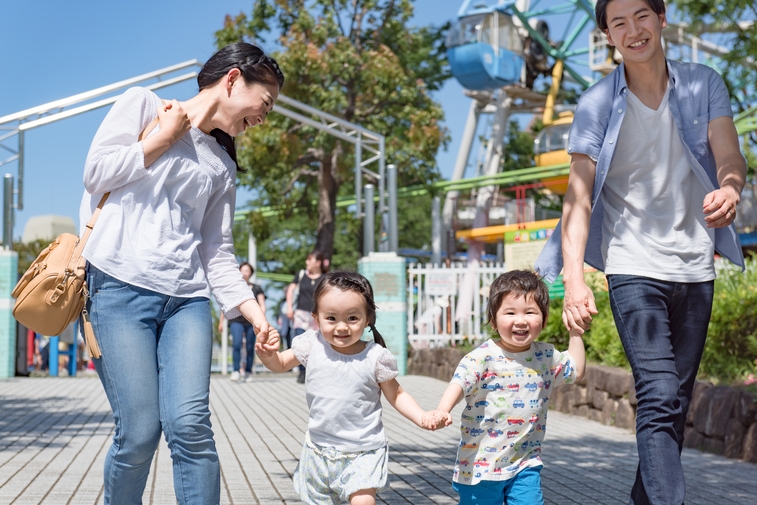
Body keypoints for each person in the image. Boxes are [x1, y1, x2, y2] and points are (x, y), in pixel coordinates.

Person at [534, 1, 747, 503]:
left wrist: (731, 187)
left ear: (662, 18)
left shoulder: (702, 82)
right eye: (619, 22)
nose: (633, 30)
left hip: (695, 265)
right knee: (657, 393)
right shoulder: (597, 103)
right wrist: (575, 278)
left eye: (642, 16)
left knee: (672, 406)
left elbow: (730, 153)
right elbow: (578, 197)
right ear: (607, 35)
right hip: (632, 265)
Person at [79, 42, 282, 505]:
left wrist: (253, 313)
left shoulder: (223, 163)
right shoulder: (144, 105)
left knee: (191, 427)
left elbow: (217, 251)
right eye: (264, 103)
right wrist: (161, 138)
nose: (263, 118)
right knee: (139, 432)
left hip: (186, 303)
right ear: (233, 79)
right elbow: (95, 174)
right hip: (117, 290)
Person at [256, 271, 444, 505]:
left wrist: (422, 416)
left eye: (352, 318)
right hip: (319, 449)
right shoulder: (311, 344)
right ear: (316, 317)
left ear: (368, 319)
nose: (342, 327)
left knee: (364, 501)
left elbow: (396, 394)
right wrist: (267, 355)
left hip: (363, 450)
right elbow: (280, 363)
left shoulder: (375, 357)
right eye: (331, 318)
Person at [424, 270, 585, 505]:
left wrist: (576, 331)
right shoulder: (482, 356)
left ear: (544, 318)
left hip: (525, 462)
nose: (520, 320)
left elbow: (575, 371)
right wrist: (442, 409)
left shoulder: (546, 356)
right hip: (481, 466)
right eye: (510, 312)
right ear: (493, 319)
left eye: (530, 312)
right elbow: (459, 382)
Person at [218, 262, 266, 381]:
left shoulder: (256, 288)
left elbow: (262, 305)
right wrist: (221, 322)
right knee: (237, 344)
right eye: (242, 270)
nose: (244, 273)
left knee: (250, 347)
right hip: (235, 321)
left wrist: (261, 319)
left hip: (251, 322)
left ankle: (248, 371)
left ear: (250, 273)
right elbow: (225, 305)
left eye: (247, 271)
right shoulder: (233, 288)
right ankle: (235, 370)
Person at [286, 249, 328, 383]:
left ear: (318, 262)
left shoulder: (325, 278)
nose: (307, 262)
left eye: (310, 260)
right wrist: (289, 308)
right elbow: (290, 291)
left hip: (317, 316)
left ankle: (314, 371)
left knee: (317, 343)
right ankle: (302, 372)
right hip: (300, 313)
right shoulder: (301, 274)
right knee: (299, 340)